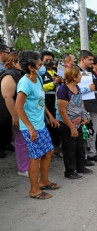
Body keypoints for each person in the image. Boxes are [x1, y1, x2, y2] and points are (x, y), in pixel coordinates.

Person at [15, 50, 60, 199]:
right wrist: (29, 127)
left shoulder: (38, 79)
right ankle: (34, 190)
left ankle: (44, 181)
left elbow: (41, 100)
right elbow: (18, 107)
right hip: (31, 127)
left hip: (41, 124)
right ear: (31, 67)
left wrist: (50, 116)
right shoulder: (24, 83)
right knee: (36, 157)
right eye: (40, 64)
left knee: (48, 152)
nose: (43, 66)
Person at [56, 66, 92, 179]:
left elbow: (80, 104)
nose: (81, 76)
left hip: (77, 121)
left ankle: (80, 166)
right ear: (73, 77)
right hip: (66, 123)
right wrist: (71, 127)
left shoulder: (77, 87)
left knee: (80, 145)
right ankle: (70, 171)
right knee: (69, 147)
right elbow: (62, 111)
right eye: (79, 75)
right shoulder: (63, 90)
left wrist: (84, 117)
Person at [0, 52, 29, 174]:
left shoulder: (21, 74)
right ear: (14, 62)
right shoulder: (10, 76)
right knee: (21, 140)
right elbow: (7, 97)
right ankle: (23, 168)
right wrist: (15, 116)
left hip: (24, 112)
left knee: (26, 140)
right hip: (13, 114)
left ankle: (28, 165)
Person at [77, 50, 97, 163]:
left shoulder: (92, 73)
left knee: (93, 130)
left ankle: (92, 153)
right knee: (83, 132)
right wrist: (87, 88)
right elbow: (73, 89)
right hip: (80, 106)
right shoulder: (75, 71)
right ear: (83, 59)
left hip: (94, 105)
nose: (92, 62)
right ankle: (83, 156)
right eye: (90, 59)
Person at [40, 50, 63, 157]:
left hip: (56, 105)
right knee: (46, 127)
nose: (49, 62)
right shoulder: (39, 73)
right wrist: (54, 83)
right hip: (44, 105)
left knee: (56, 127)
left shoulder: (56, 72)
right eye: (46, 60)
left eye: (51, 60)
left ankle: (56, 147)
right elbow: (39, 88)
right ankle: (44, 150)